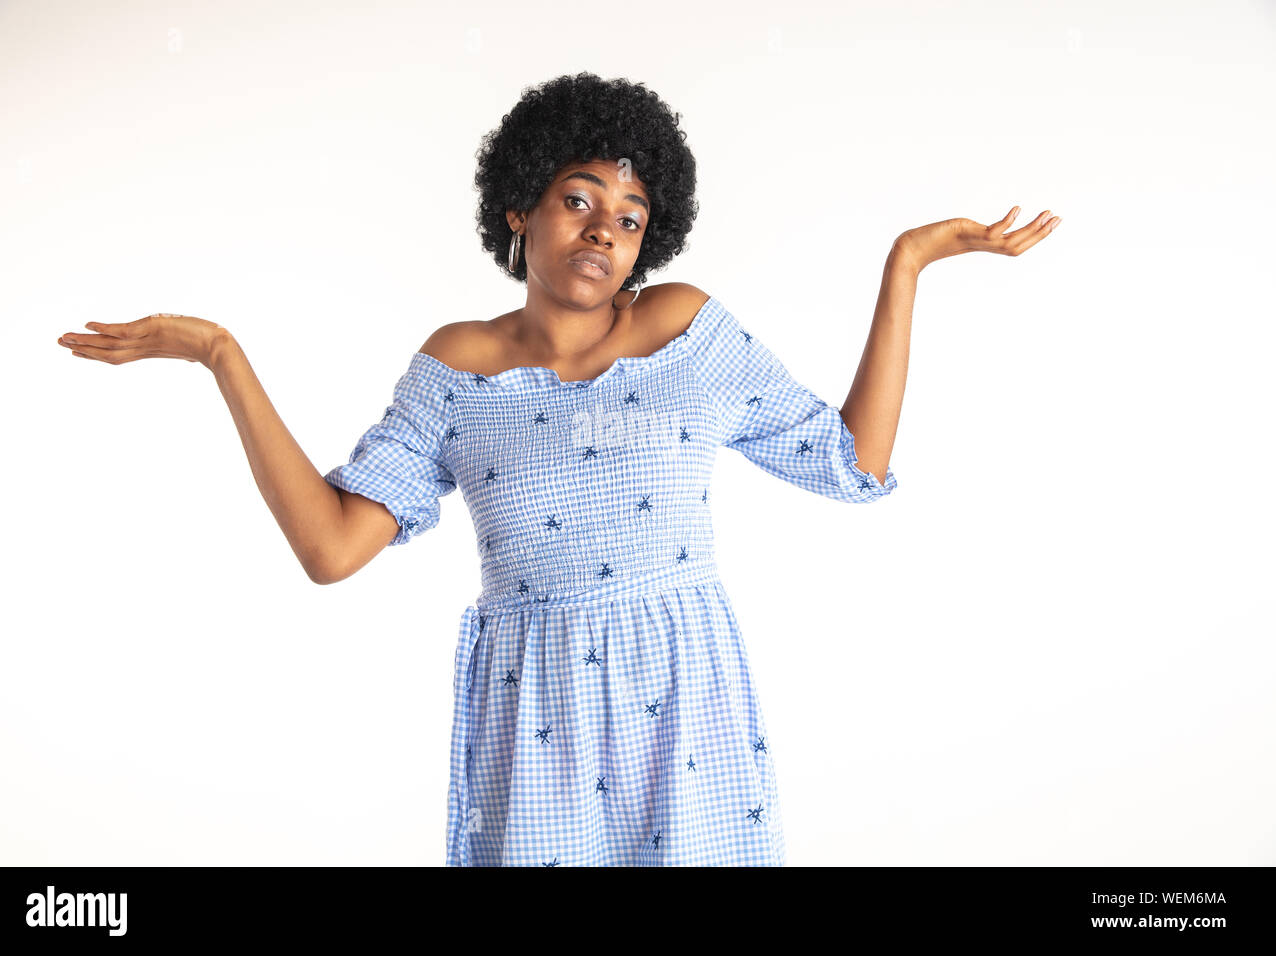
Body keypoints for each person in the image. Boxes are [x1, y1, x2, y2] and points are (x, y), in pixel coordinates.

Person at [55, 72, 1060, 866]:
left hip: (687, 695)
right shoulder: (456, 366)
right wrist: (224, 356)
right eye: (578, 200)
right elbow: (330, 545)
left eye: (628, 218)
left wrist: (907, 262)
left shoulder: (685, 328)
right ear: (515, 213)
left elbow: (849, 463)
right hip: (535, 709)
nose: (604, 231)